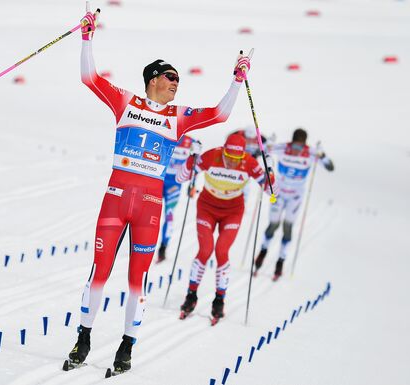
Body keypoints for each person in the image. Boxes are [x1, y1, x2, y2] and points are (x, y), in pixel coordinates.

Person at [64, 8, 252, 374]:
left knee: (138, 279)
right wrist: (87, 37)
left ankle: (126, 348)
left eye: (178, 80)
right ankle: (82, 339)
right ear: (152, 78)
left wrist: (237, 80)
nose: (175, 83)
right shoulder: (126, 102)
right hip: (115, 200)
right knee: (99, 272)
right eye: (169, 77)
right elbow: (90, 77)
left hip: (149, 205)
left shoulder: (179, 116)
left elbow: (220, 114)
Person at [176, 133, 276, 323]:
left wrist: (269, 170)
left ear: (243, 156)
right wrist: (192, 158)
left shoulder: (248, 162)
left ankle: (219, 299)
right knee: (205, 250)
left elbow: (271, 191)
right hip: (207, 208)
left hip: (232, 211)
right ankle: (191, 295)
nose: (231, 162)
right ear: (223, 150)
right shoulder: (211, 156)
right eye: (228, 157)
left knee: (222, 251)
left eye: (235, 159)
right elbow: (182, 177)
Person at [254, 128, 334, 281]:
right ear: (291, 143)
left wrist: (322, 155)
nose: (296, 150)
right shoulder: (283, 148)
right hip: (278, 193)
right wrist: (267, 144)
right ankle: (262, 253)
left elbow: (330, 167)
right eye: (294, 146)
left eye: (300, 147)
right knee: (273, 224)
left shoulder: (310, 153)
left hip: (295, 197)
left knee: (288, 227)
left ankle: (280, 262)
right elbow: (260, 152)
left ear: (305, 145)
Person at [156, 135, 201, 263]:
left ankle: (163, 248)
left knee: (169, 215)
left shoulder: (191, 142)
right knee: (150, 214)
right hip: (157, 180)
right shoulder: (165, 135)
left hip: (174, 184)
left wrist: (193, 184)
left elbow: (194, 165)